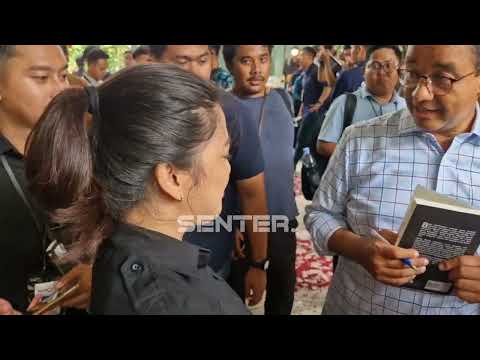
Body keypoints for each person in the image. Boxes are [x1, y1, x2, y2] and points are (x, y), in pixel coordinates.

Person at [24, 64, 249, 315]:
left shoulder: (114, 254)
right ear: (173, 178)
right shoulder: (179, 305)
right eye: (224, 154)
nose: (229, 169)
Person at [305, 45, 480, 315]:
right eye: (411, 74)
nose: (420, 94)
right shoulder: (360, 139)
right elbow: (320, 215)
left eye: (442, 79)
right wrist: (360, 249)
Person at [149, 45, 269, 307]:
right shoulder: (136, 111)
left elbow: (253, 194)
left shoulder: (231, 114)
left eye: (202, 60)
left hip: (210, 262)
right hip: (144, 267)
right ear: (154, 60)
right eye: (182, 62)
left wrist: (258, 263)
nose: (194, 72)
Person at [0, 45, 92, 315]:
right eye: (41, 78)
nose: (59, 90)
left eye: (63, 76)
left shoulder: (86, 148)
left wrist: (99, 270)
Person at [224, 45, 299, 315]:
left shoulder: (284, 100)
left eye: (263, 60)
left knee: (281, 295)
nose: (257, 70)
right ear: (230, 65)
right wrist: (228, 224)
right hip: (241, 226)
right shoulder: (221, 109)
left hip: (283, 221)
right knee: (233, 298)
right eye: (246, 61)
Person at [317, 45, 407, 158]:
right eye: (376, 65)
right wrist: (361, 160)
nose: (382, 72)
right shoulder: (345, 103)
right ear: (364, 71)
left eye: (389, 66)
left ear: (399, 73)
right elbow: (325, 145)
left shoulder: (406, 108)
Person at [299, 46, 330, 118]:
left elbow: (327, 87)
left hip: (314, 110)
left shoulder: (316, 71)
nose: (299, 58)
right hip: (306, 108)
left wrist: (319, 103)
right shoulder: (306, 73)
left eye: (302, 55)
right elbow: (305, 92)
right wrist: (301, 109)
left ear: (309, 56)